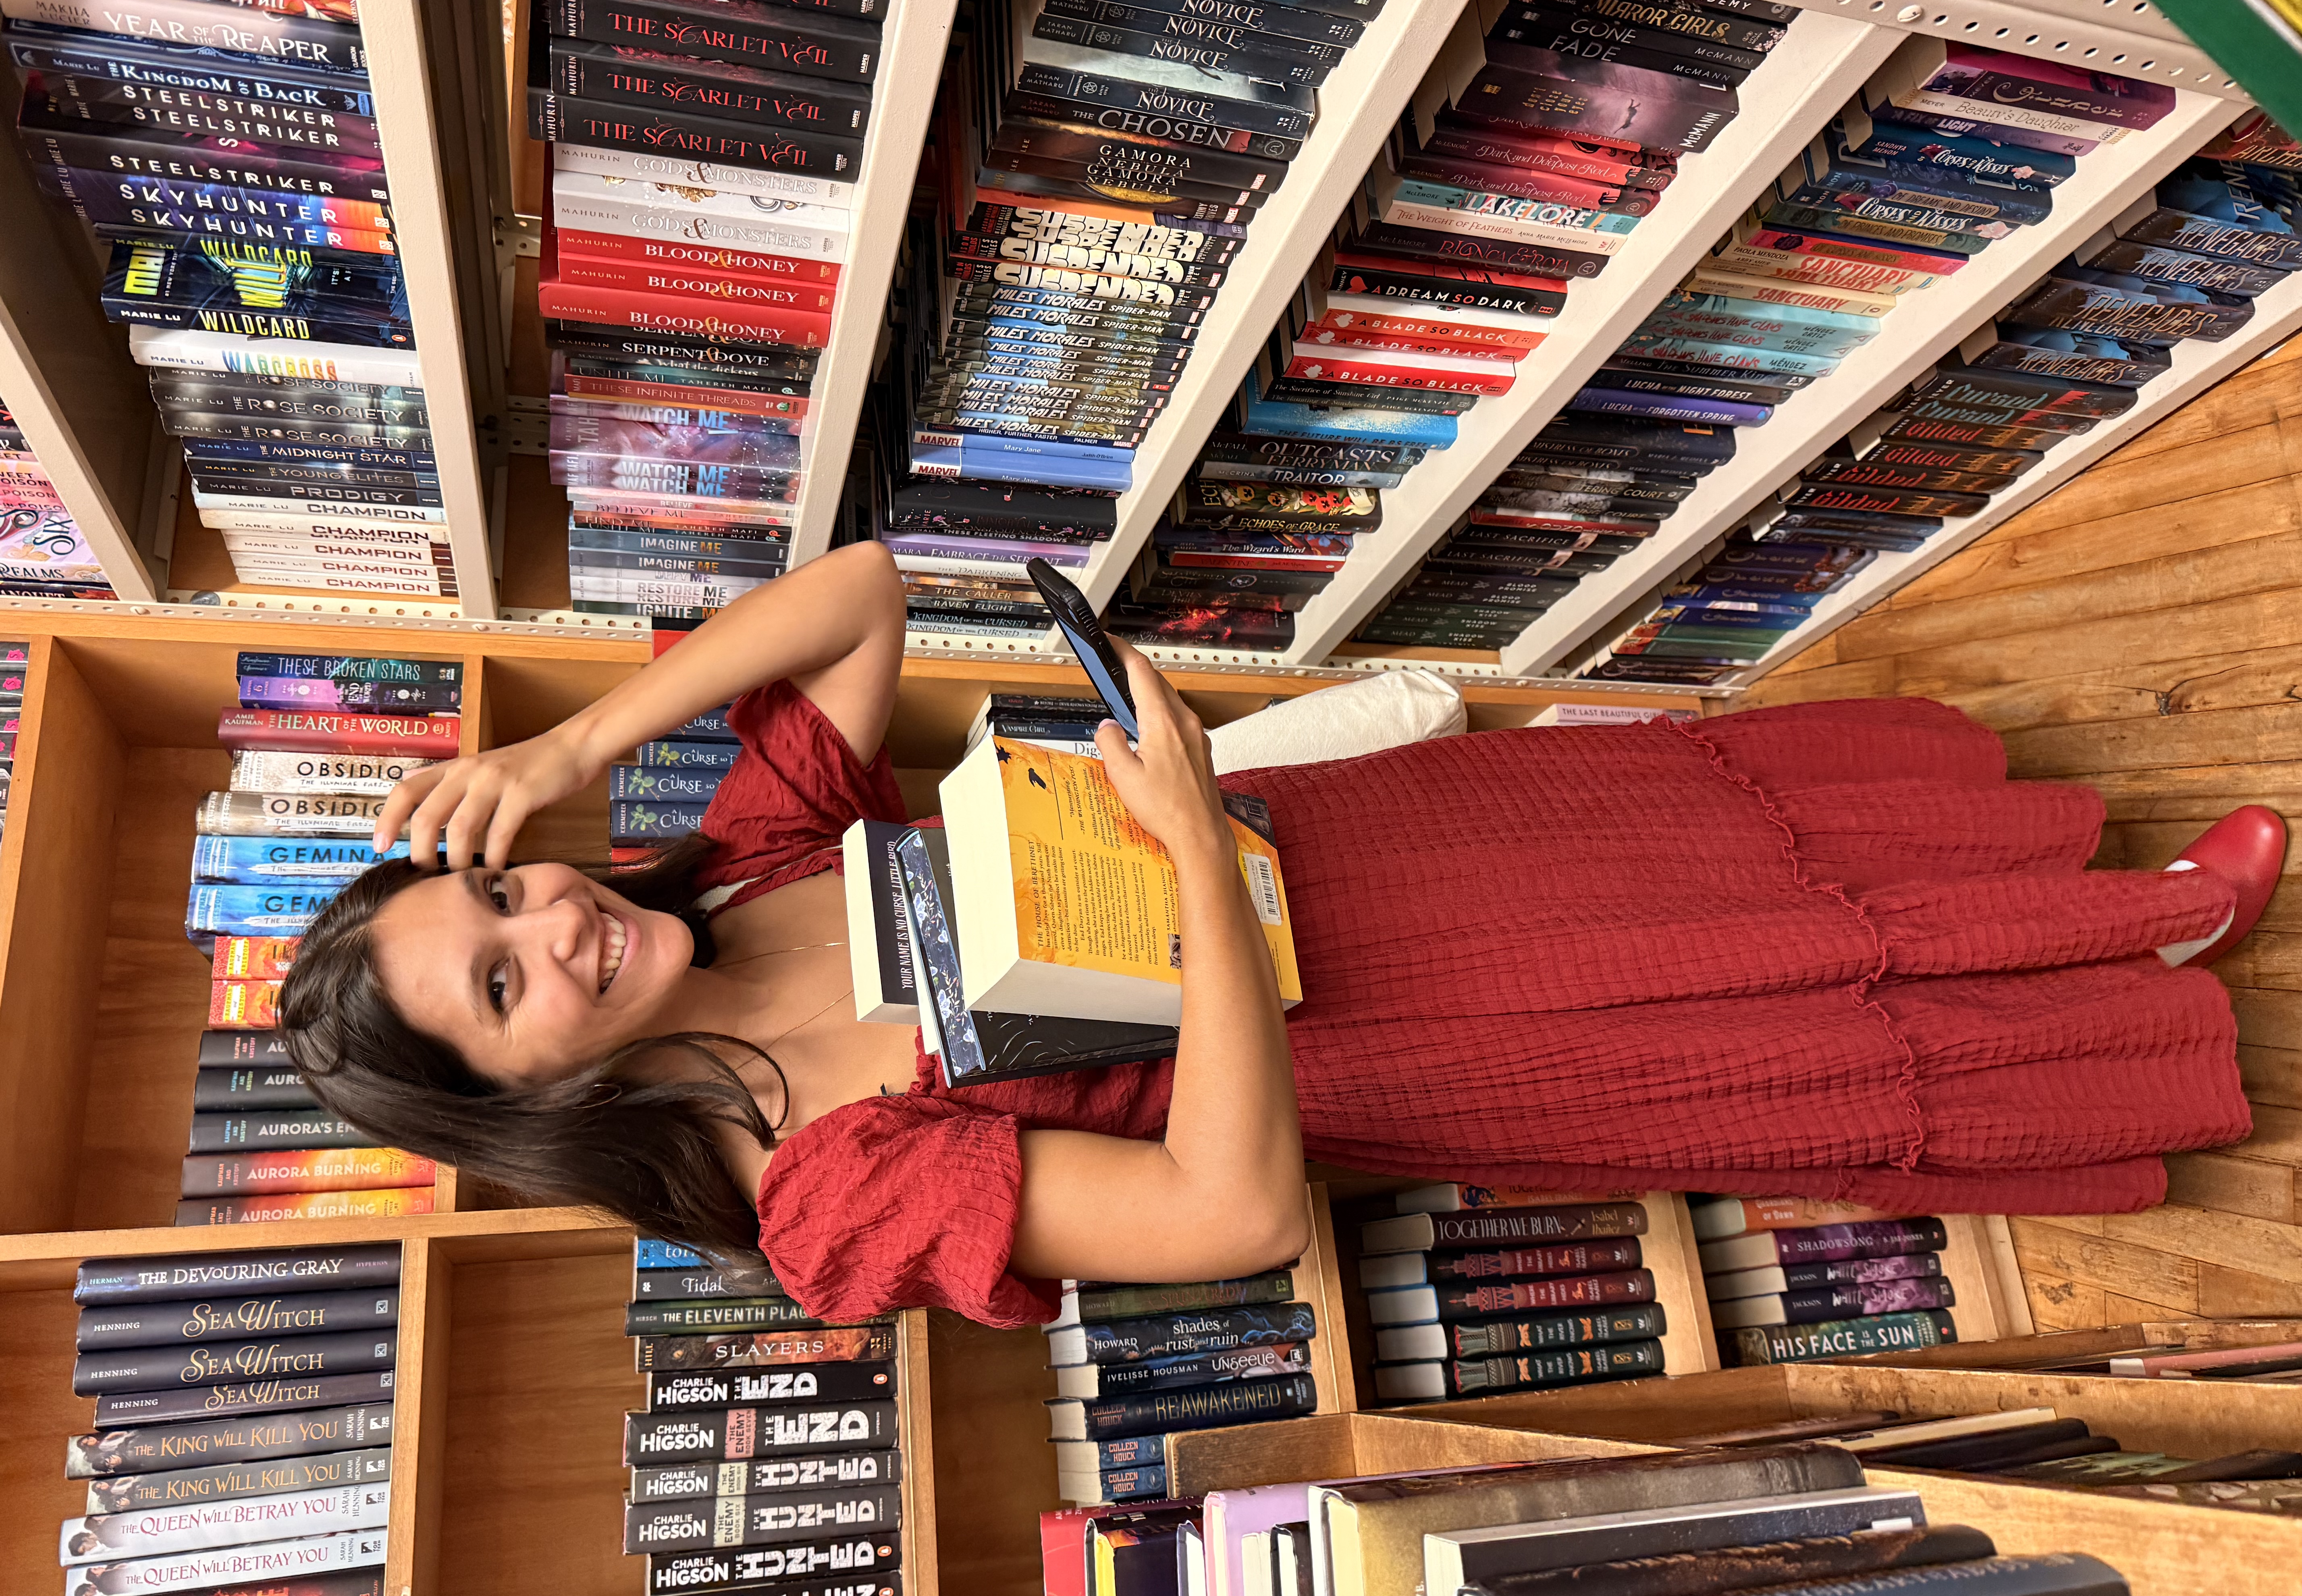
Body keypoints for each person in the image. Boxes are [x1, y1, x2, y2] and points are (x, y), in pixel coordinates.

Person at [278, 543, 2281, 1330]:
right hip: (1377, 1022)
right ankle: (2153, 963)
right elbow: (1230, 1209)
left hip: (1356, 846)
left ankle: (2099, 895)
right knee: (1754, 1007)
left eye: (507, 890)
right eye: (505, 984)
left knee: (1700, 838)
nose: (558, 925)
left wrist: (573, 742)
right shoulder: (819, 1199)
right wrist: (1199, 874)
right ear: (515, 1100)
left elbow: (863, 590)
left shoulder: (730, 869)